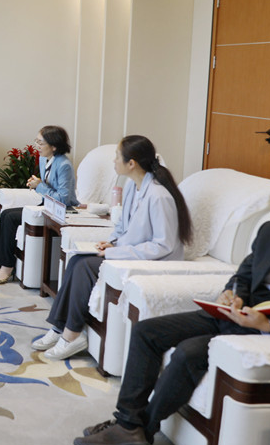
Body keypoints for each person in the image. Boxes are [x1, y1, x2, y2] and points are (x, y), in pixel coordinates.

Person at [75, 176, 270, 445]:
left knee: (189, 352)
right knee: (147, 332)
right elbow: (245, 273)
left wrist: (268, 324)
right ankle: (127, 422)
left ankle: (140, 430)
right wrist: (233, 292)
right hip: (236, 312)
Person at [36, 135, 193, 360]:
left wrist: (114, 251)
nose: (114, 161)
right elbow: (122, 226)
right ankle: (59, 328)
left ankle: (71, 335)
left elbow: (163, 245)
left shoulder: (159, 196)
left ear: (132, 163)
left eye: (117, 157)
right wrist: (112, 242)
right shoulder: (131, 186)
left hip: (154, 262)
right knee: (76, 260)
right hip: (128, 252)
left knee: (85, 267)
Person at [0, 125, 77, 284]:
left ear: (54, 146)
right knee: (6, 214)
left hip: (61, 211)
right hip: (47, 205)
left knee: (11, 218)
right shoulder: (44, 159)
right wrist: (37, 183)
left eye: (41, 143)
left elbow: (63, 199)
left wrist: (40, 186)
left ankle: (7, 266)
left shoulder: (64, 165)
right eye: (36, 141)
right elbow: (47, 186)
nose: (37, 146)